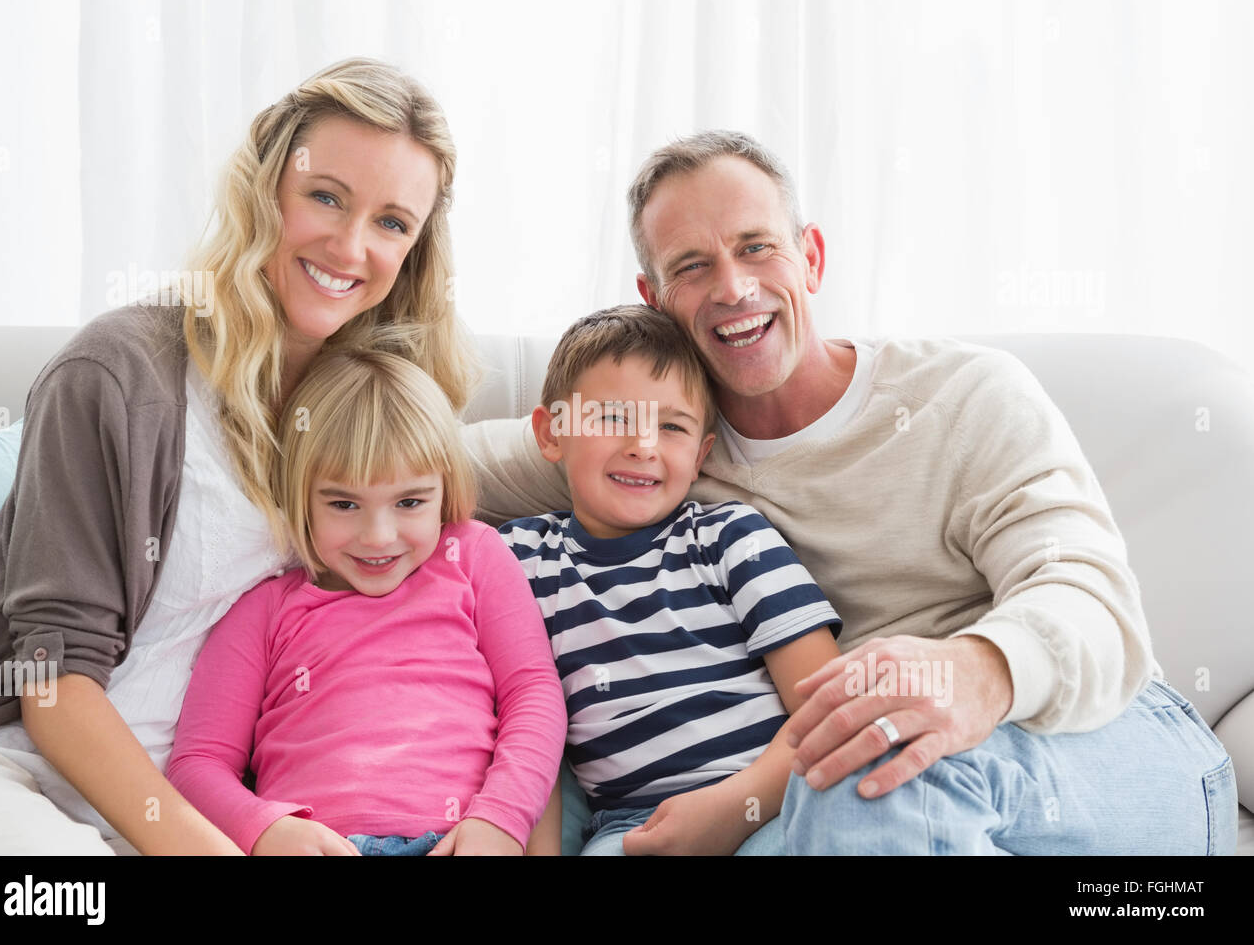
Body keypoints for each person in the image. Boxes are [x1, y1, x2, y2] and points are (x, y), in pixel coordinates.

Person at [464, 131, 1238, 854]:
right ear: (655, 296)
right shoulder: (655, 445)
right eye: (693, 266)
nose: (733, 287)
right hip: (866, 784)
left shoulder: (963, 395)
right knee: (853, 775)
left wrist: (977, 673)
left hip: (1096, 738)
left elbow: (1092, 599)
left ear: (811, 258)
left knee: (872, 765)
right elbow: (410, 468)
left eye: (756, 247)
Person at [0, 58, 480, 855]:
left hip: (210, 802)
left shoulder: (376, 405)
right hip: (9, 765)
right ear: (267, 188)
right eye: (326, 196)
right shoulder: (116, 375)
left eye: (392, 223)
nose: (349, 245)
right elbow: (51, 682)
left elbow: (507, 471)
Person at [166, 349, 565, 856]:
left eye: (409, 502)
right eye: (344, 504)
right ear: (300, 495)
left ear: (445, 489)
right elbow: (197, 761)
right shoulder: (261, 608)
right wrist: (265, 827)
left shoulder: (474, 554)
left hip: (459, 839)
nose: (378, 536)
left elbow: (533, 694)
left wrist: (501, 821)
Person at [499, 305, 842, 856]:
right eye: (611, 418)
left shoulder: (731, 536)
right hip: (633, 828)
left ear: (702, 455)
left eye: (672, 426)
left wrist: (737, 805)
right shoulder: (519, 560)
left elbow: (828, 705)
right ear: (551, 433)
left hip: (772, 799)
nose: (644, 446)